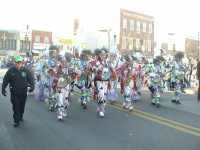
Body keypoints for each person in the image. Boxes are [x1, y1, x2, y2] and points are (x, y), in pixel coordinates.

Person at [1, 55, 35, 127]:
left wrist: (32, 86)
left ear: (22, 63)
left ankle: (21, 115)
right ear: (15, 63)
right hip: (14, 93)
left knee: (21, 106)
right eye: (17, 62)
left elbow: (31, 79)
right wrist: (3, 88)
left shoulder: (25, 71)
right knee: (16, 107)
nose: (18, 64)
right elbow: (5, 80)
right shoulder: (11, 70)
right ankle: (16, 121)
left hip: (23, 93)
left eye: (20, 62)